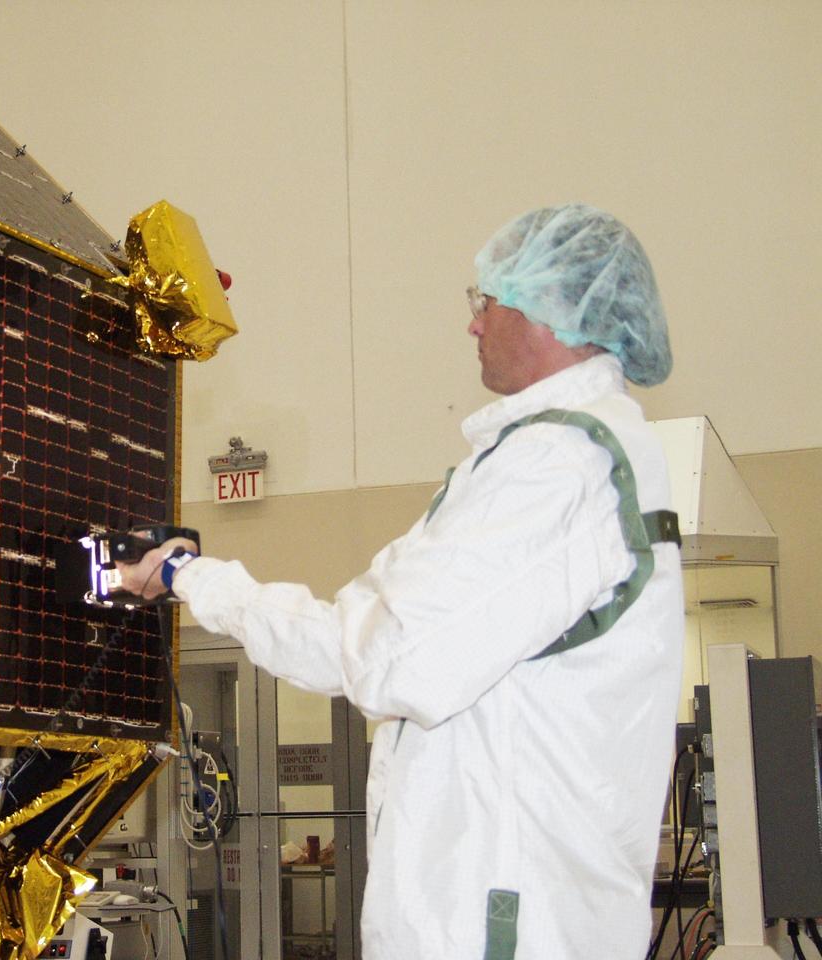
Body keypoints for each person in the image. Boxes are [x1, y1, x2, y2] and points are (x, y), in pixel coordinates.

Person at [118, 203, 685, 960]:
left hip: (507, 930)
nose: (474, 325)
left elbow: (391, 663)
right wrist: (194, 578)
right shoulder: (546, 459)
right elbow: (356, 640)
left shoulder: (558, 467)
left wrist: (201, 580)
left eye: (488, 302)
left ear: (553, 311)